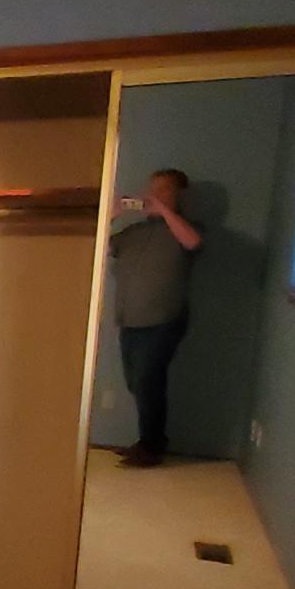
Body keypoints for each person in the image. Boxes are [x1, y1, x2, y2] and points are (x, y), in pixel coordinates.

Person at [107, 167, 203, 467]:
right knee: (136, 382)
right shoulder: (134, 233)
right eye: (153, 189)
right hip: (130, 319)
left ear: (178, 195)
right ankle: (148, 440)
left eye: (164, 190)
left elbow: (193, 243)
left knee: (148, 380)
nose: (154, 195)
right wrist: (111, 213)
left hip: (163, 320)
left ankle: (151, 448)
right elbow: (96, 245)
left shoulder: (184, 228)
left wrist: (163, 210)